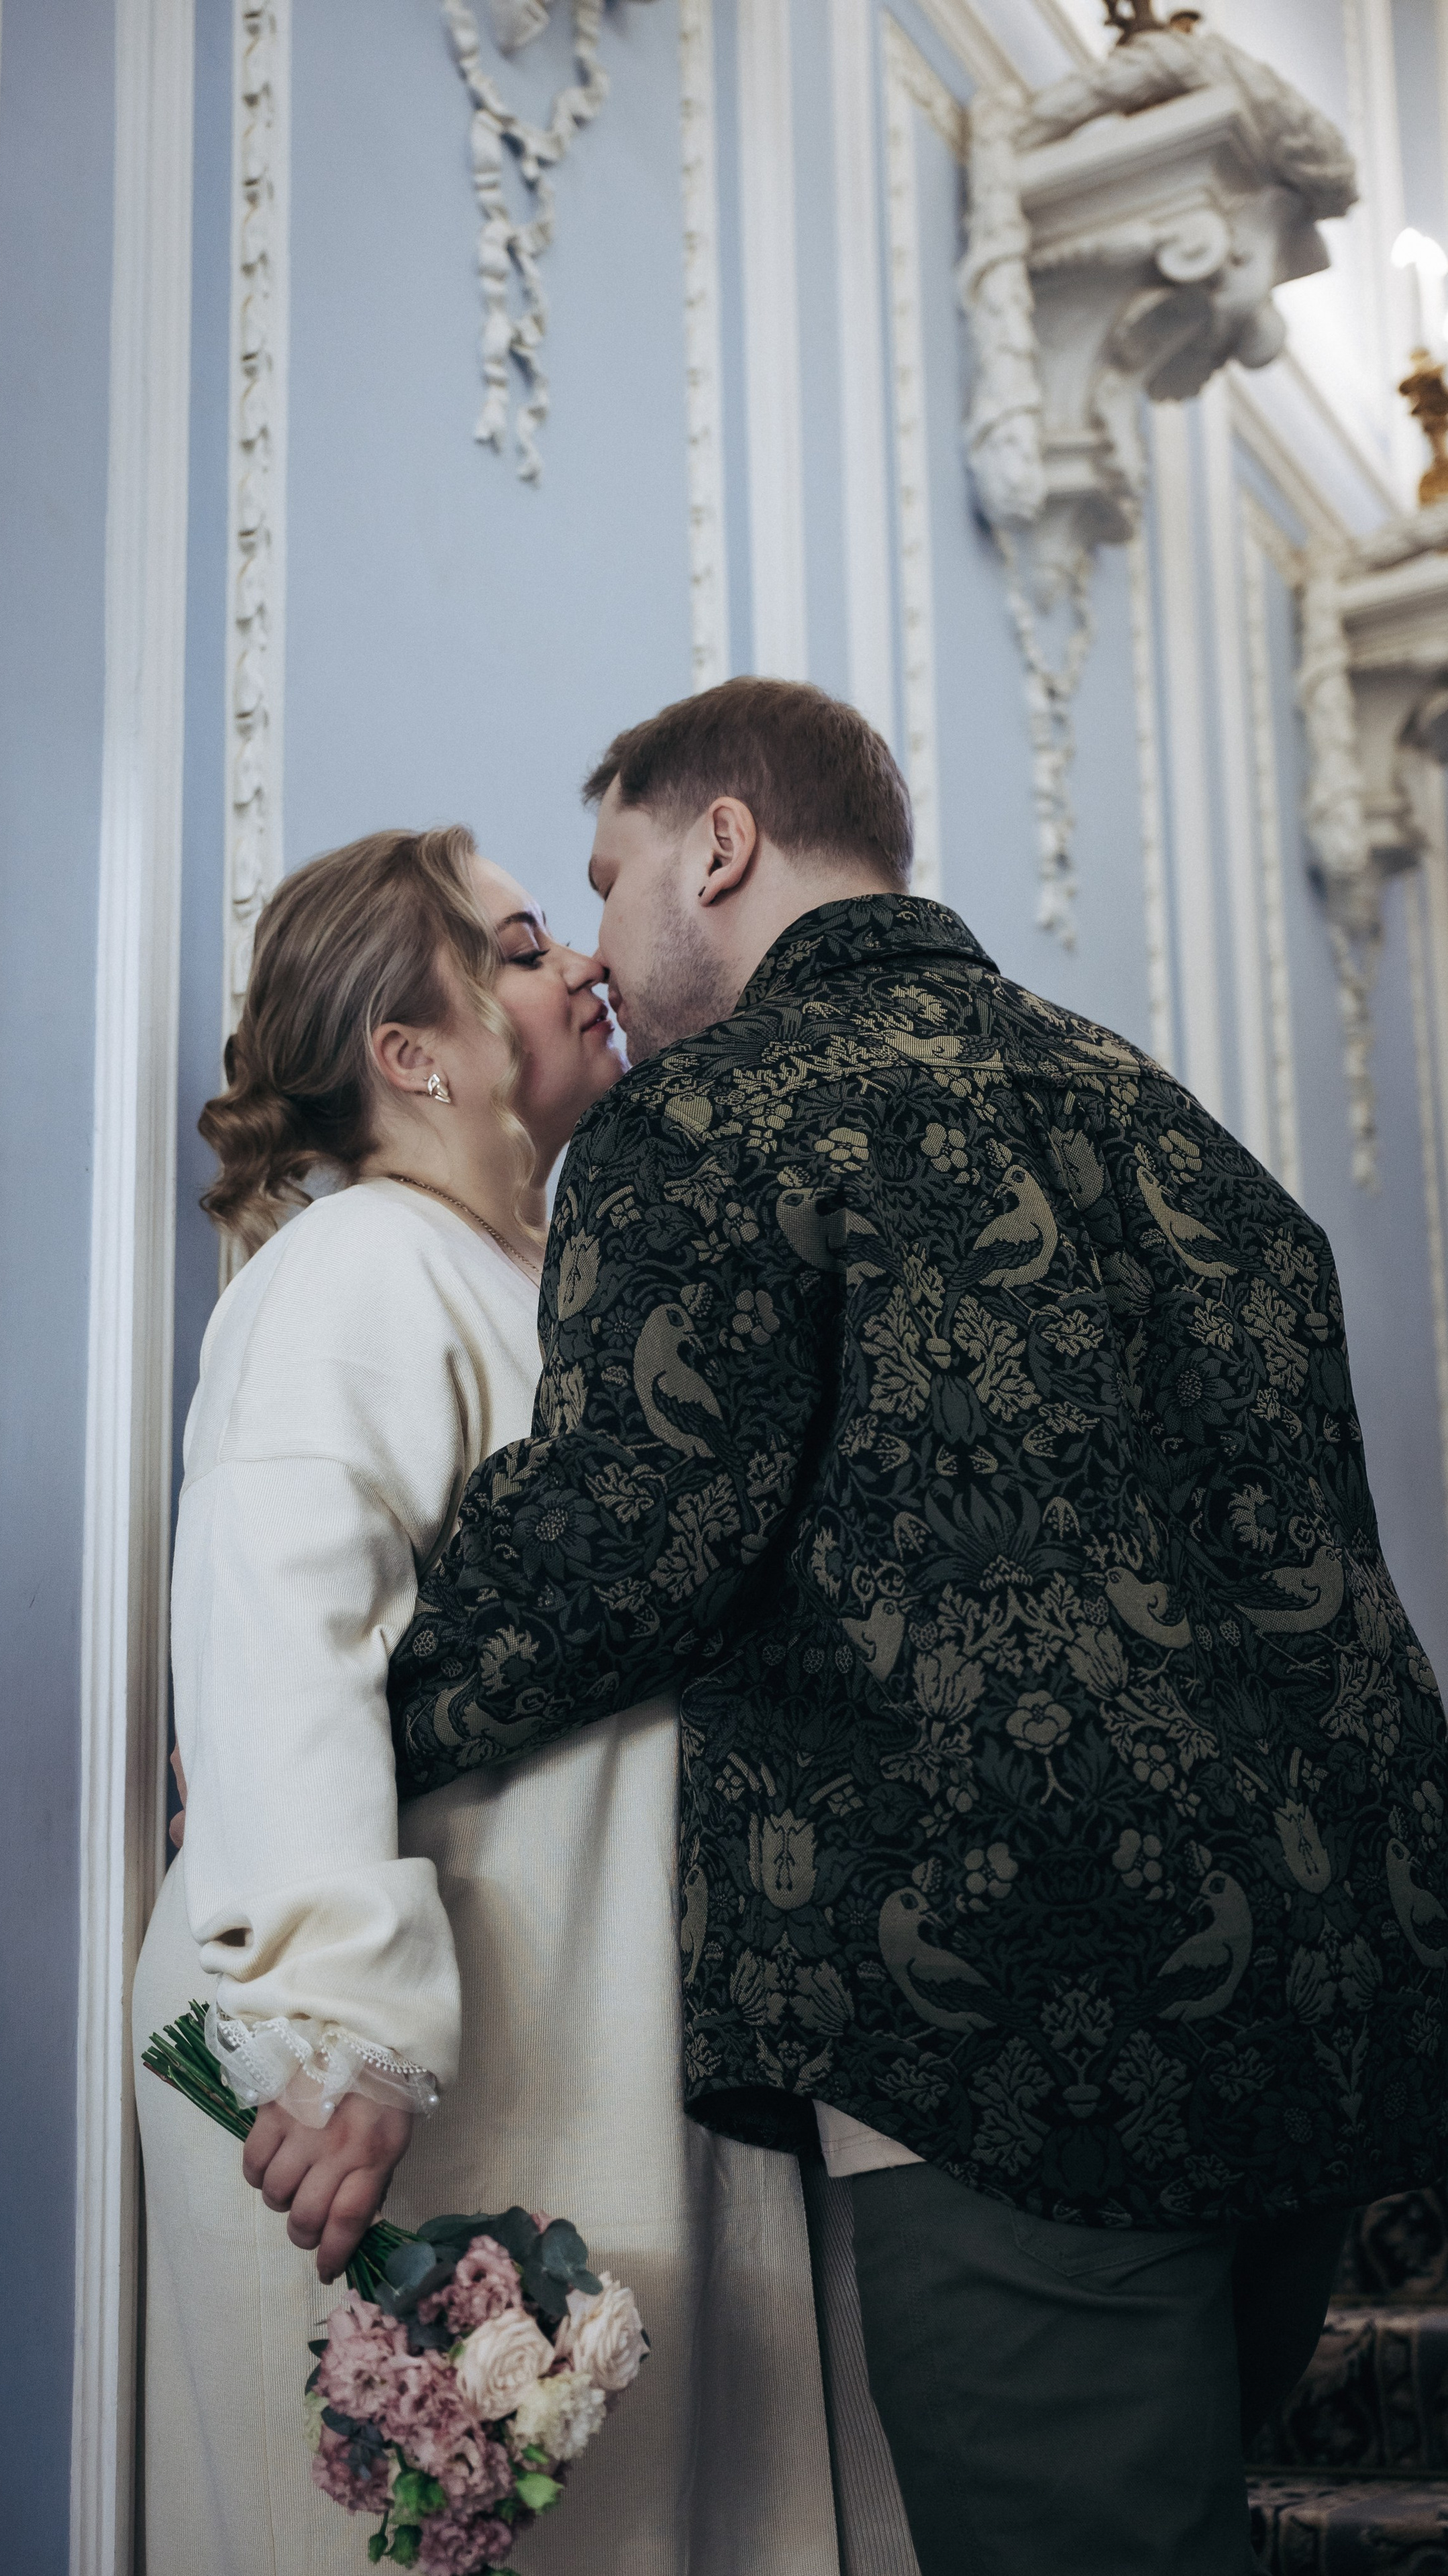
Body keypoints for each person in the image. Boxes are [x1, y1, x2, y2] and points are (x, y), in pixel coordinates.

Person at [389, 678, 1448, 2576]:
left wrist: (324, 1729)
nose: (605, 948)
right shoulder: (1180, 1126)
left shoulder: (704, 1127)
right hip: (1347, 2000)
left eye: (614, 878)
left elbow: (620, 1543)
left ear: (718, 847)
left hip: (1021, 2035)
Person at [132, 824, 895, 2575]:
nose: (585, 969)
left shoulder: (548, 1278)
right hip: (391, 2090)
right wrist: (344, 2028)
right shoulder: (352, 1269)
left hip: (573, 2022)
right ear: (418, 1052)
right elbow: (279, 1625)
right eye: (528, 943)